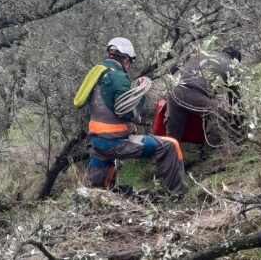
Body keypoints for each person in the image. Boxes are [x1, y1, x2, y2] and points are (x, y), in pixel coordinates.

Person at [85, 37, 187, 194]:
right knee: (170, 145)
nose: (129, 65)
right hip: (115, 143)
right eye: (130, 61)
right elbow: (128, 112)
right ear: (125, 58)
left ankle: (99, 194)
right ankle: (177, 193)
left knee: (97, 193)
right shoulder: (118, 77)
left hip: (96, 143)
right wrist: (140, 95)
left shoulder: (95, 75)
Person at [165, 46, 243, 143]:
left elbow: (171, 70)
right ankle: (243, 143)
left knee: (172, 140)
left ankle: (168, 155)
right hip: (193, 93)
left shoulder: (200, 52)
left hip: (172, 91)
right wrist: (240, 120)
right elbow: (235, 99)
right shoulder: (230, 65)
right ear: (235, 60)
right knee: (226, 118)